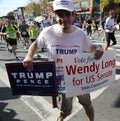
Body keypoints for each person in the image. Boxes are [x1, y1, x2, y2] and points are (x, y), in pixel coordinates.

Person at [22, 0, 104, 121]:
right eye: (60, 14)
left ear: (73, 15)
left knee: (87, 104)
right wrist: (29, 56)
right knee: (65, 111)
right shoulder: (47, 32)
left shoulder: (81, 34)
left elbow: (91, 47)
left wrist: (99, 48)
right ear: (55, 16)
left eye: (67, 14)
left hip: (80, 80)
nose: (64, 18)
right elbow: (35, 44)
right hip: (60, 83)